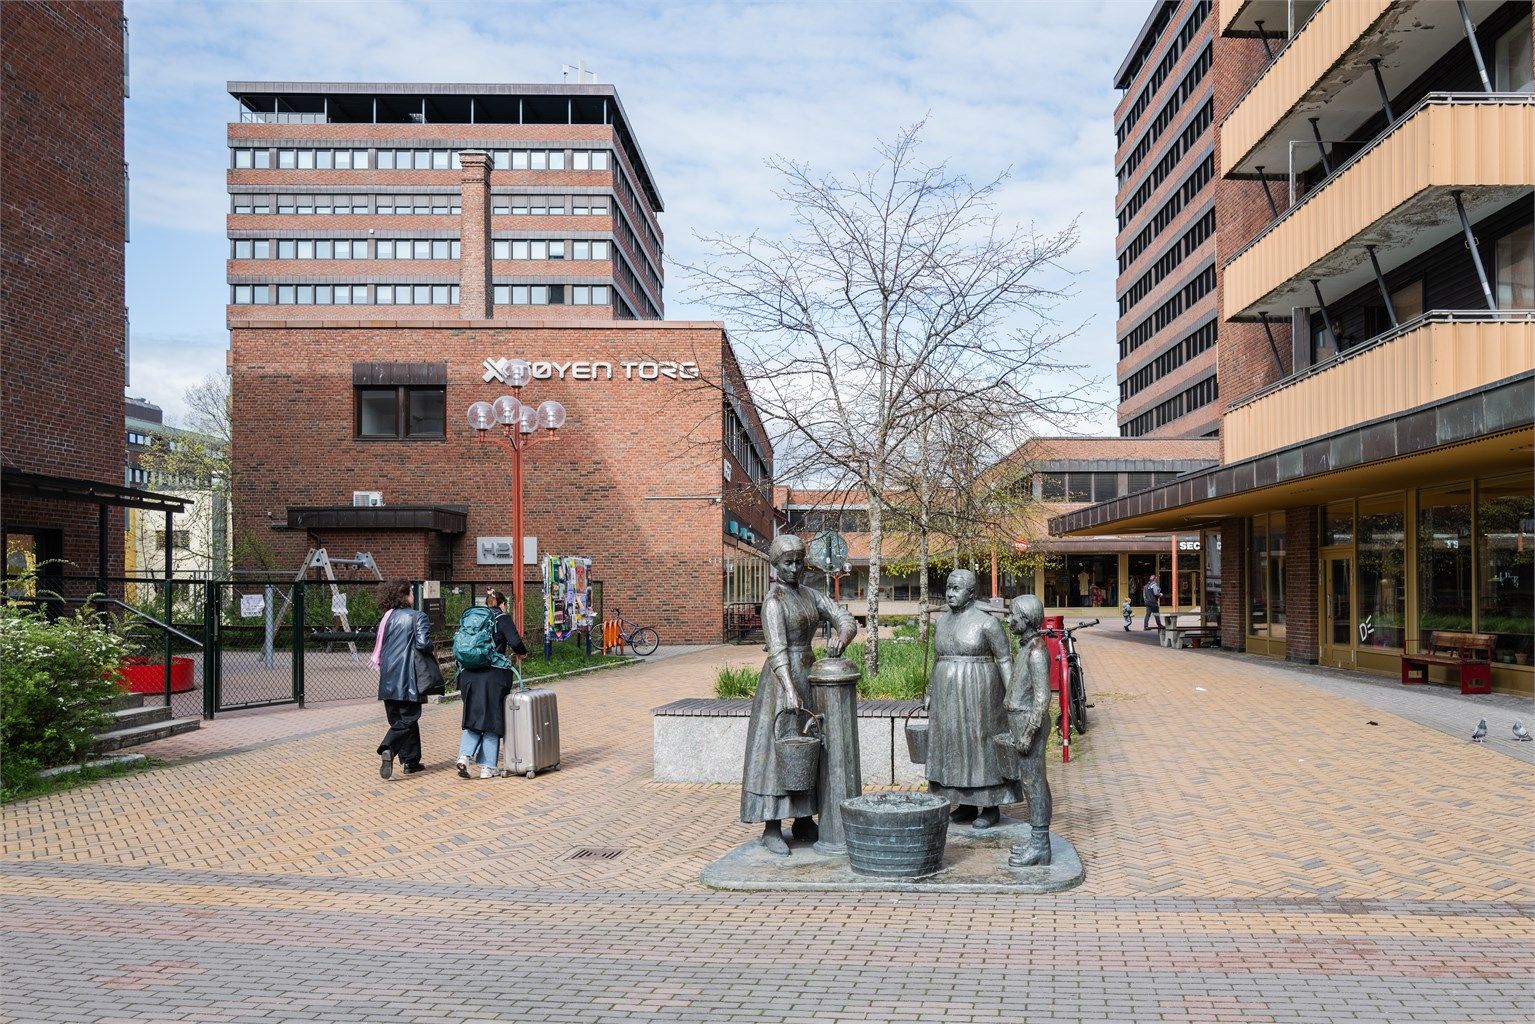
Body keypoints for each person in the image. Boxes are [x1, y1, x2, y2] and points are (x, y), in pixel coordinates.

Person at [740, 535, 857, 855]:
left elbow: (844, 617)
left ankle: (804, 819)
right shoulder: (774, 601)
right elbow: (776, 650)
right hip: (781, 683)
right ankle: (772, 827)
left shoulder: (810, 595)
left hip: (809, 672)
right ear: (775, 566)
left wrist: (842, 637)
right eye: (787, 563)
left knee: (810, 747)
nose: (794, 569)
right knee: (779, 750)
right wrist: (789, 689)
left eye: (798, 563)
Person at [926, 568, 1021, 830]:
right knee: (954, 746)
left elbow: (1004, 659)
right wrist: (930, 691)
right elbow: (937, 658)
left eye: (956, 589)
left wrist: (1011, 695)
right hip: (947, 693)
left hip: (980, 694)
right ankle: (964, 804)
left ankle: (991, 806)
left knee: (980, 747)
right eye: (948, 588)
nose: (950, 594)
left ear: (971, 594)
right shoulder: (942, 621)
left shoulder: (987, 623)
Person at [454, 588, 529, 780]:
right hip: (493, 675)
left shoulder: (474, 620)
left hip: (468, 675)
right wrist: (523, 652)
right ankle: (487, 767)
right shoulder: (502, 619)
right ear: (502, 604)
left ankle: (464, 755)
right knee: (493, 719)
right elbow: (515, 642)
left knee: (474, 716)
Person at [1004, 595, 1054, 867]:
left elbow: (1042, 698)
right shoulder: (1027, 647)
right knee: (1029, 783)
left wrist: (1028, 733)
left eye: (1014, 616)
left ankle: (1040, 846)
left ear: (1027, 620)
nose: (1010, 620)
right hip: (1019, 722)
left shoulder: (1036, 652)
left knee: (1035, 784)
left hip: (1027, 724)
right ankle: (1036, 840)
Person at [373, 580, 434, 779]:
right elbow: (424, 644)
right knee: (408, 719)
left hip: (388, 677)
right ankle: (388, 747)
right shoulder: (418, 617)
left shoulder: (386, 619)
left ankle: (411, 761)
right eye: (411, 593)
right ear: (406, 596)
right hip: (408, 678)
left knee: (401, 720)